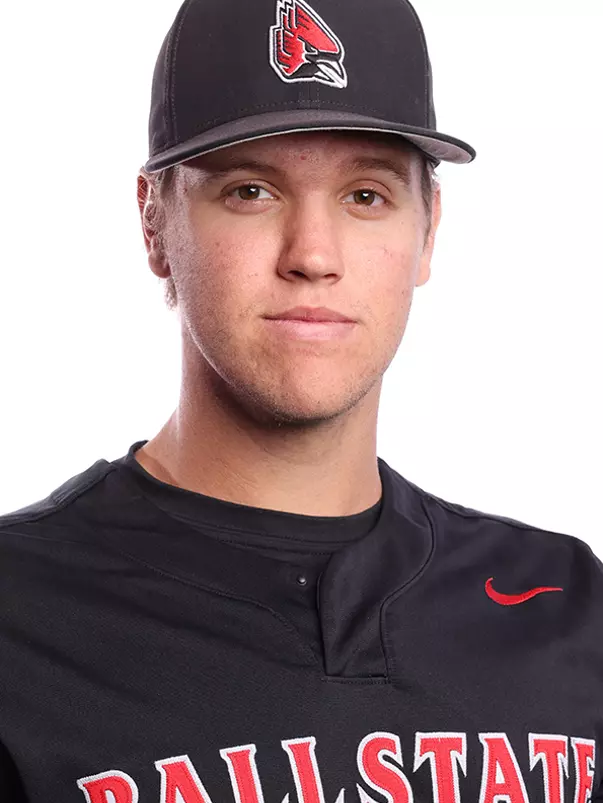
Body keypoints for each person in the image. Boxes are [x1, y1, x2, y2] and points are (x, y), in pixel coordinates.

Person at [1, 0, 601, 801]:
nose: (313, 255)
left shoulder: (566, 601)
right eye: (251, 190)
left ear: (427, 232)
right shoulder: (20, 615)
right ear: (153, 223)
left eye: (365, 196)